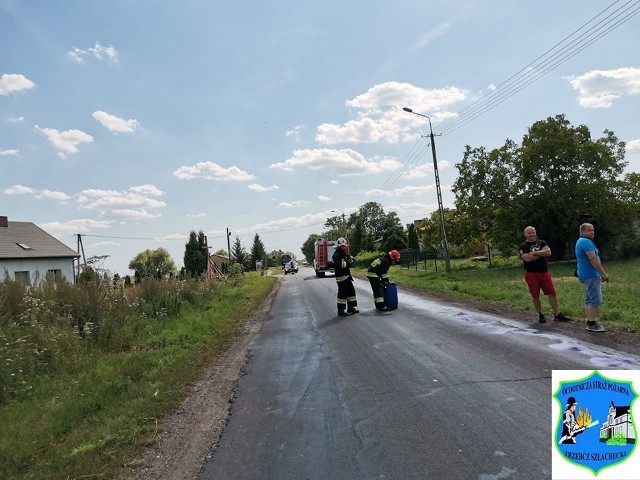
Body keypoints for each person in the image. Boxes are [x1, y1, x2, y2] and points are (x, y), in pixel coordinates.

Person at [518, 226, 571, 324]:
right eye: (529, 233)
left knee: (552, 293)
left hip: (544, 272)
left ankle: (557, 314)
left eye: (533, 232)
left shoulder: (542, 242)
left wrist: (534, 253)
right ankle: (540, 314)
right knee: (535, 295)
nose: (531, 234)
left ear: (535, 232)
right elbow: (527, 259)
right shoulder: (523, 246)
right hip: (531, 273)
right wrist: (541, 253)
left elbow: (548, 252)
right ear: (525, 234)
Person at [575, 223, 608, 332]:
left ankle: (590, 321)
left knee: (589, 298)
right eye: (589, 230)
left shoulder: (581, 241)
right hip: (591, 275)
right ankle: (592, 324)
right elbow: (592, 259)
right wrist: (603, 273)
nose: (592, 232)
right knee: (595, 299)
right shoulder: (586, 242)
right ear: (582, 231)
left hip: (586, 274)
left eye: (593, 230)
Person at [332, 237, 359, 316]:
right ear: (339, 246)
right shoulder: (336, 255)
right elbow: (342, 265)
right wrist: (348, 262)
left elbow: (350, 259)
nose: (345, 247)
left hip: (347, 276)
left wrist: (349, 260)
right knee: (342, 294)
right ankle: (340, 311)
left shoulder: (343, 253)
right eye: (343, 246)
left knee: (351, 292)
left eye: (345, 246)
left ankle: (351, 308)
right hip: (341, 278)